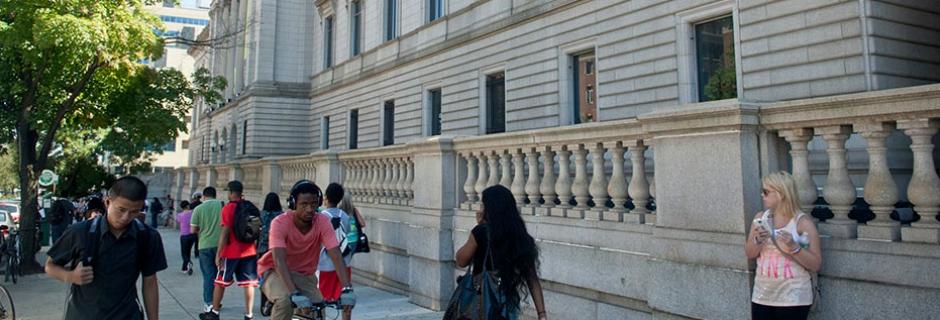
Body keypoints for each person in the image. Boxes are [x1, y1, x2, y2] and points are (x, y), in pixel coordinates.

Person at [44, 176, 168, 320]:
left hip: (127, 315)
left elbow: (150, 282)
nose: (125, 217)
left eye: (134, 212)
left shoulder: (147, 236)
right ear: (107, 202)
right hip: (84, 314)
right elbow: (50, 266)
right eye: (121, 209)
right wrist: (70, 276)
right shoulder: (79, 232)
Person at [257, 180, 355, 320]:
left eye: (313, 204)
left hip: (304, 275)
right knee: (285, 301)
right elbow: (279, 260)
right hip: (274, 271)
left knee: (318, 308)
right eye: (304, 204)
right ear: (293, 204)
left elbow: (336, 255)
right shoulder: (279, 223)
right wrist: (294, 293)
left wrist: (347, 289)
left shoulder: (322, 222)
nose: (309, 209)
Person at [456, 185, 547, 320]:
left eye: (483, 205)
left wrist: (479, 226)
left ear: (489, 209)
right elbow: (532, 278)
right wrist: (542, 314)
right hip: (506, 306)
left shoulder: (481, 232)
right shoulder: (520, 237)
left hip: (481, 303)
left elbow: (461, 260)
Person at [745, 172, 822, 320]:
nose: (762, 195)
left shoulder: (802, 222)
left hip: (794, 296)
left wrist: (794, 247)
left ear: (781, 194)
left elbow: (816, 264)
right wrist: (757, 241)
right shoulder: (760, 218)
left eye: (766, 192)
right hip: (762, 294)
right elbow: (749, 254)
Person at [202, 181, 257, 320]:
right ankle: (249, 314)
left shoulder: (228, 208)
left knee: (220, 282)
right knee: (248, 283)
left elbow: (225, 232)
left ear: (232, 193)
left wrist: (219, 253)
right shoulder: (250, 206)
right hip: (249, 250)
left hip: (231, 251)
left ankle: (214, 312)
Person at [317, 183, 358, 320]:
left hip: (325, 265)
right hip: (344, 264)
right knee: (345, 300)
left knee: (320, 301)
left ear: (326, 198)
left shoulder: (321, 217)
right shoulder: (345, 216)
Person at [191, 186, 225, 313]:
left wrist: (203, 231)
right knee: (220, 275)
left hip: (204, 245)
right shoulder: (222, 206)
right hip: (221, 246)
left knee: (208, 275)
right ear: (215, 195)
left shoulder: (198, 208)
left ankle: (209, 303)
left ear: (204, 196)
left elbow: (192, 230)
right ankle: (217, 301)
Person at [177, 201, 197, 275]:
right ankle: (185, 266)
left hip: (184, 235)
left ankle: (188, 263)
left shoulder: (180, 215)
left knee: (184, 252)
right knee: (188, 251)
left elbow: (179, 222)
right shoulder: (192, 213)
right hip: (192, 235)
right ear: (188, 206)